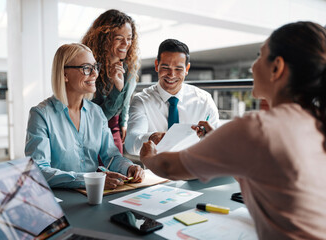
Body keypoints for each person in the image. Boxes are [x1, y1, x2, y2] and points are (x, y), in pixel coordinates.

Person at [140, 22, 326, 239]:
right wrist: (218, 143)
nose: (252, 67)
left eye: (259, 56)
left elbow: (169, 167)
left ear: (277, 68)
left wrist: (150, 157)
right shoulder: (316, 121)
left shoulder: (256, 128)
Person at [25, 43, 144, 189]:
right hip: (61, 200)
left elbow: (111, 157)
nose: (95, 74)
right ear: (64, 74)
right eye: (86, 68)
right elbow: (38, 171)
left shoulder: (96, 113)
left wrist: (129, 167)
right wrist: (89, 179)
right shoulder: (41, 115)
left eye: (95, 67)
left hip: (94, 195)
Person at [125, 39, 220, 155]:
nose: (171, 75)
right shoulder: (142, 100)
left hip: (194, 169)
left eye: (178, 69)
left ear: (187, 69)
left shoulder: (204, 100)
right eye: (165, 67)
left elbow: (217, 145)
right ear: (156, 65)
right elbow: (130, 144)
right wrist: (152, 138)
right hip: (156, 171)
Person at [81, 9, 140, 155]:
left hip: (114, 128)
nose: (126, 43)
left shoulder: (129, 67)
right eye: (119, 38)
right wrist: (117, 89)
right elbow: (95, 118)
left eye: (129, 38)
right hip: (89, 131)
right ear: (104, 38)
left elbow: (126, 101)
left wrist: (123, 122)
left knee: (116, 171)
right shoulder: (88, 67)